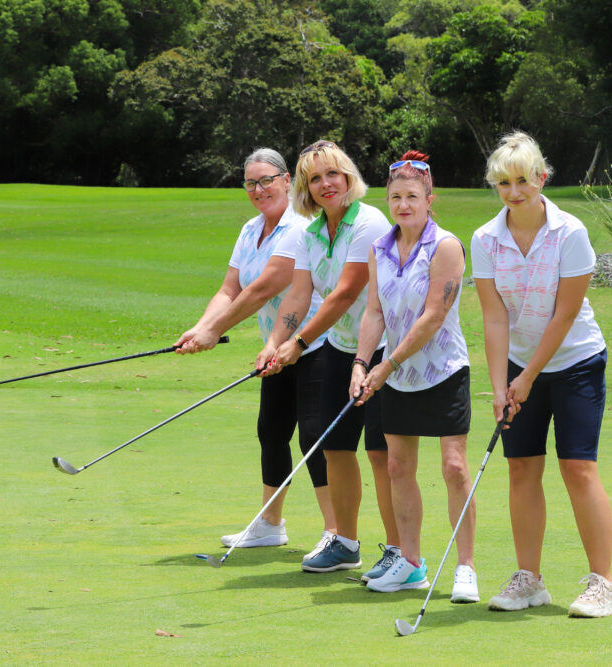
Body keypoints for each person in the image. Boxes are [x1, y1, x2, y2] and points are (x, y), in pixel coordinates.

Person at [471, 131, 612, 618]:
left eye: (522, 181)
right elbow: (494, 318)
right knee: (522, 467)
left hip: (576, 360)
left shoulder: (570, 233)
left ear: (541, 178)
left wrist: (528, 376)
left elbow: (564, 314)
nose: (514, 192)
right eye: (503, 183)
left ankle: (605, 583)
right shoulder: (484, 239)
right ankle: (529, 580)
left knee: (577, 467)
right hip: (518, 365)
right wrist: (500, 386)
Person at [175, 148, 335, 558]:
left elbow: (265, 286)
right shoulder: (251, 229)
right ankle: (270, 523)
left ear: (286, 180)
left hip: (315, 343)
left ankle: (336, 532)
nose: (259, 189)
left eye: (267, 180)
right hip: (275, 346)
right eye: (251, 183)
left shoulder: (300, 226)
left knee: (314, 438)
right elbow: (230, 288)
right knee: (272, 431)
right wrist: (200, 327)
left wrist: (215, 331)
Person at [259, 140, 399, 573]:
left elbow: (344, 294)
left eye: (332, 174)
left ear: (347, 176)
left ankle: (399, 551)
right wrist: (276, 344)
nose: (325, 184)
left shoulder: (370, 222)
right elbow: (300, 295)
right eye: (314, 178)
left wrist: (297, 345)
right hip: (341, 348)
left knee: (380, 453)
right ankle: (345, 542)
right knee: (334, 446)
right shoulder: (310, 232)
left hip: (383, 349)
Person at [350, 151, 480, 602]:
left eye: (412, 196)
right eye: (396, 197)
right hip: (397, 378)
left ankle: (466, 568)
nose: (403, 204)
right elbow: (374, 311)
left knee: (454, 468)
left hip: (442, 371)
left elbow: (432, 317)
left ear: (429, 199)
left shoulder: (446, 246)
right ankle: (410, 564)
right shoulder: (379, 248)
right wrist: (361, 363)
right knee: (398, 467)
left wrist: (385, 365)